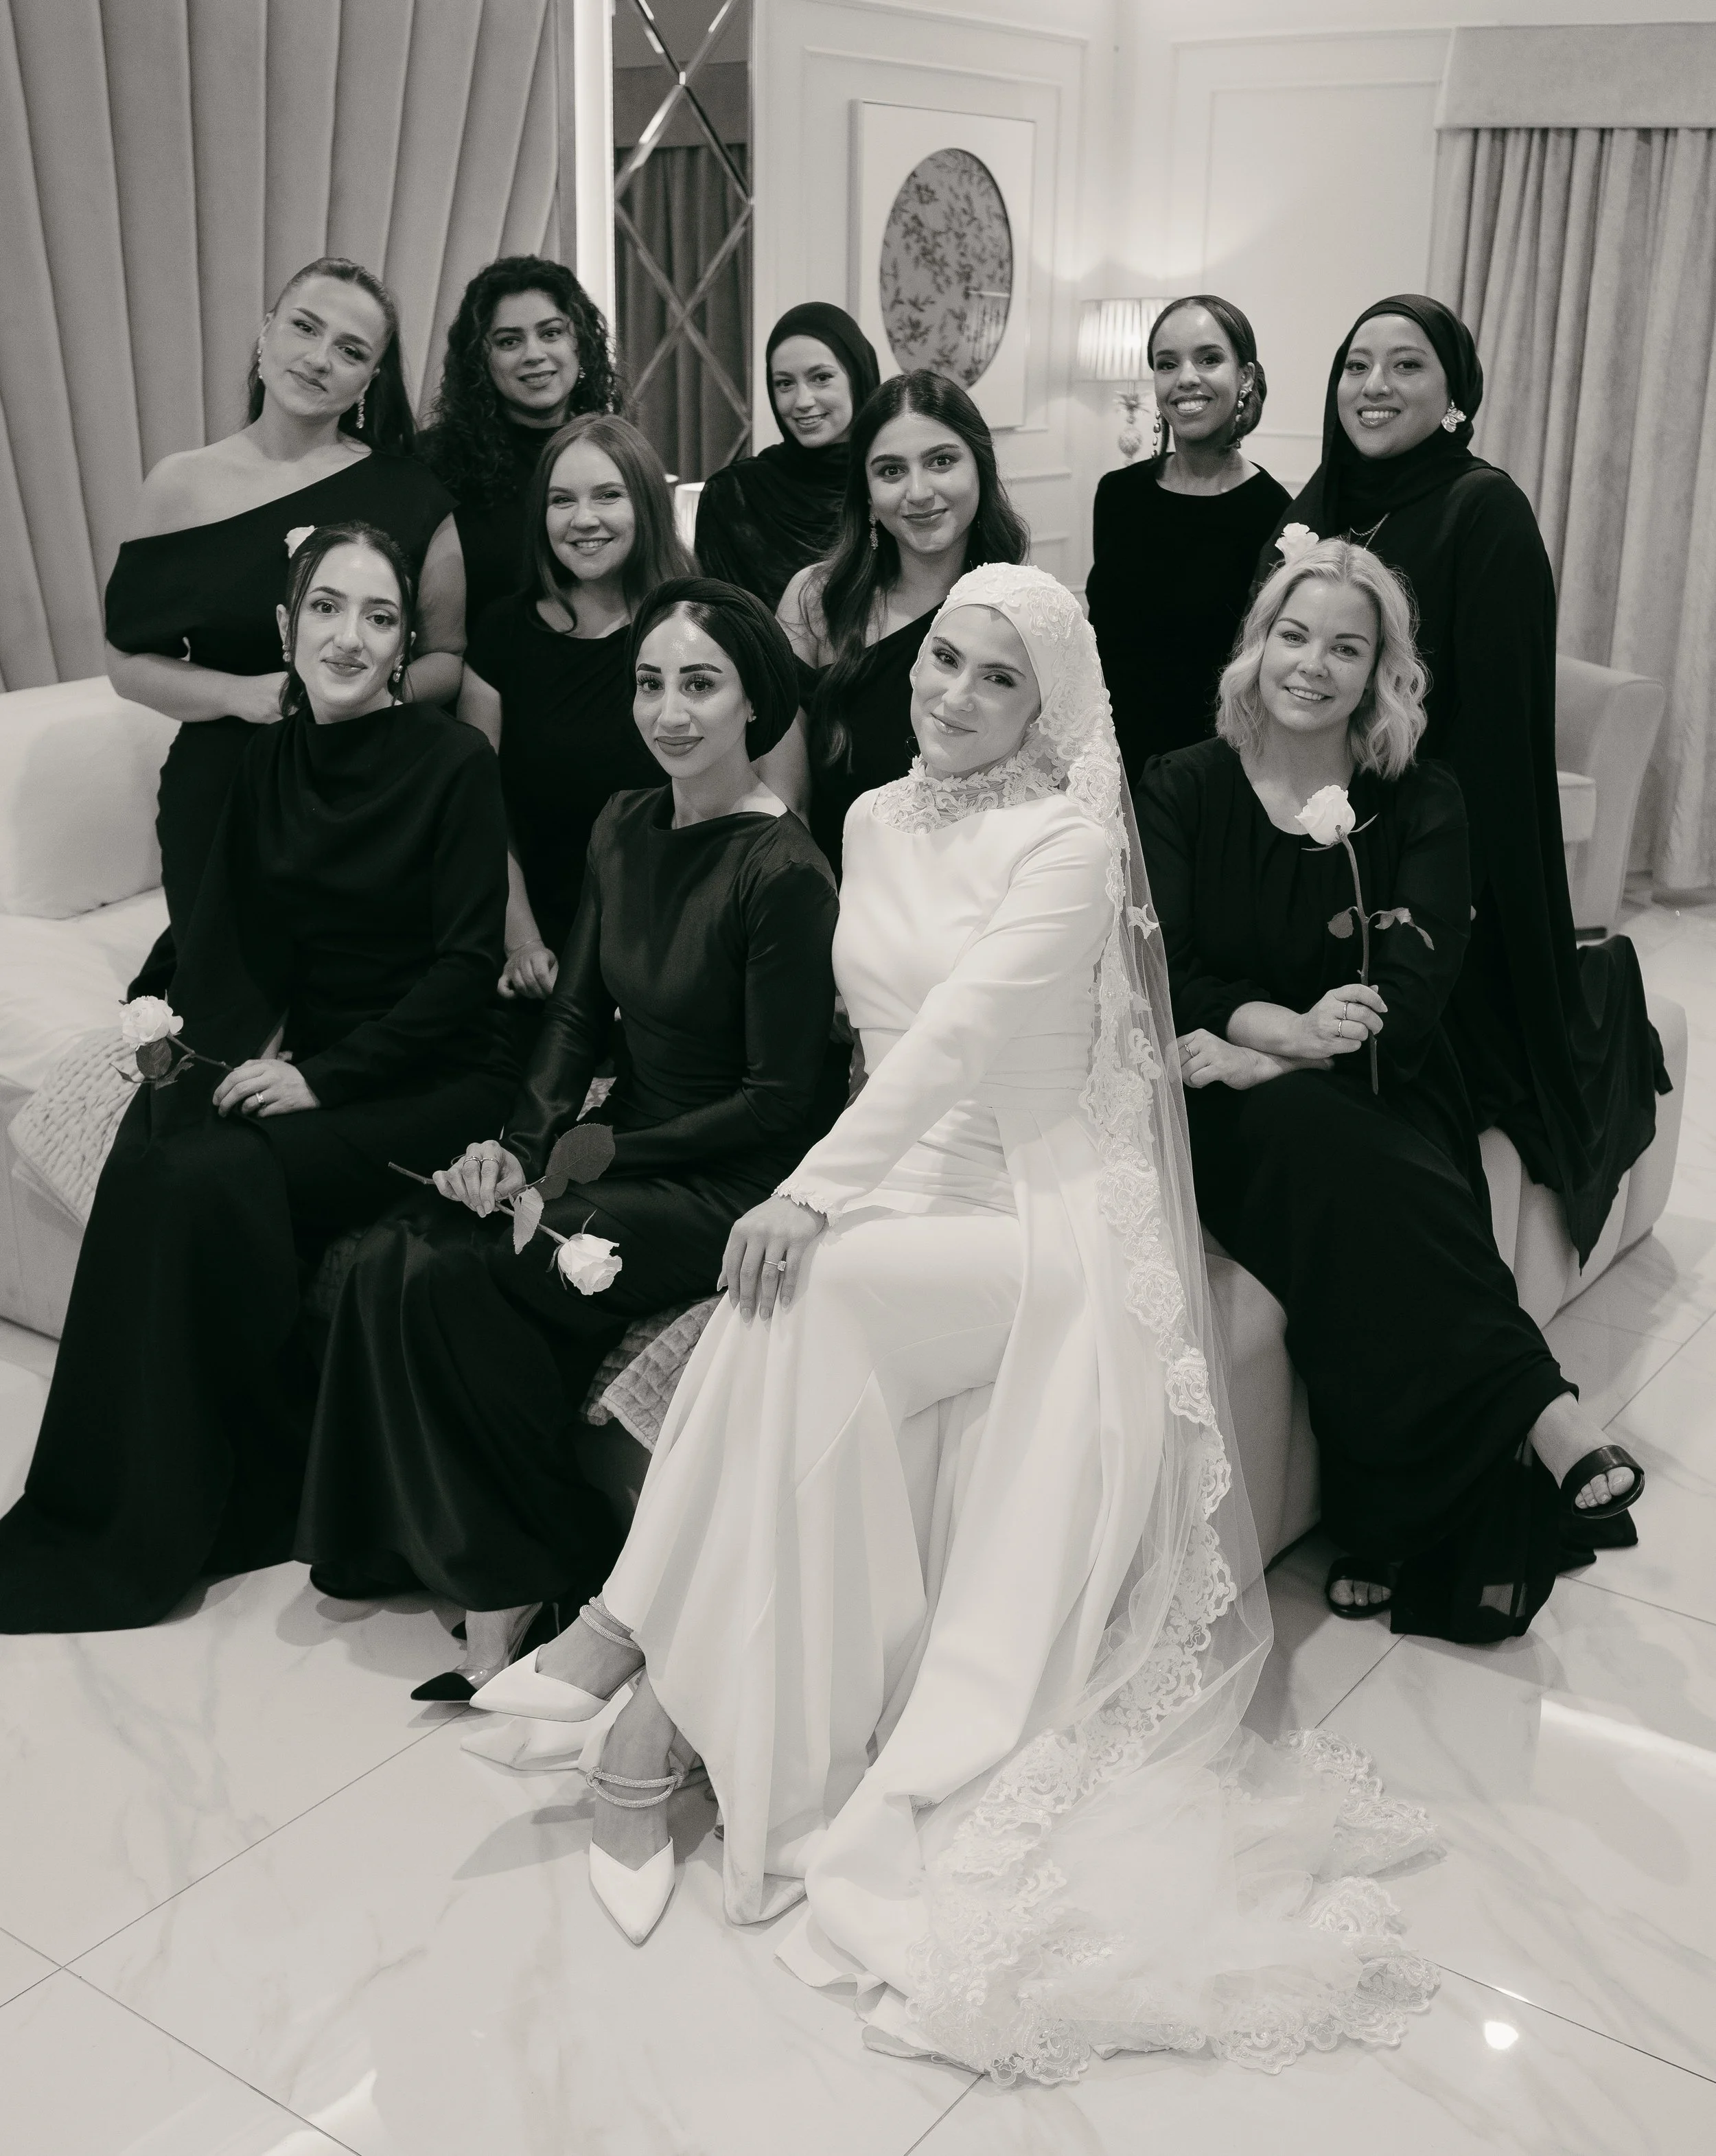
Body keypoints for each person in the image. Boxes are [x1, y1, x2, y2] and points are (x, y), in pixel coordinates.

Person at [466, 564, 1441, 2083]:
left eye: (996, 678)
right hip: (908, 1179)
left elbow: (969, 1033)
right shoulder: (862, 817)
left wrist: (807, 1195)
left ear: (1044, 708)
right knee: (777, 1310)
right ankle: (650, 1714)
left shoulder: (1062, 838)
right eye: (940, 662)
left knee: (812, 1276)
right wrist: (828, 1192)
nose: (951, 695)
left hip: (1039, 1210)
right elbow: (865, 1046)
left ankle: (620, 1649)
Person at [297, 580, 839, 1700]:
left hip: (719, 1178)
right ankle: (422, 1546)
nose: (670, 711)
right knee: (400, 1244)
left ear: (754, 701)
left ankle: (523, 1578)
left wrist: (591, 1163)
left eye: (700, 683)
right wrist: (520, 1147)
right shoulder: (623, 822)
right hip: (616, 1142)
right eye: (650, 682)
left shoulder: (784, 872)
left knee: (465, 1270)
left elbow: (782, 1100)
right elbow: (579, 1016)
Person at [0, 526, 515, 1634]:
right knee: (154, 1153)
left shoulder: (453, 767)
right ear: (288, 629)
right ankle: (95, 1507)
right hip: (319, 1065)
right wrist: (167, 1040)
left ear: (404, 647)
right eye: (327, 608)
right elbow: (216, 934)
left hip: (434, 1079)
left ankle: (222, 1501)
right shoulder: (264, 761)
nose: (350, 635)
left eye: (379, 618)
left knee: (204, 1182)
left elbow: (467, 975)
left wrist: (320, 1080)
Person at [1136, 537, 1646, 1637]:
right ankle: (1538, 1407)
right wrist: (1281, 1035)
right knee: (1327, 1158)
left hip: (1383, 1075)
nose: (1313, 664)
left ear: (1381, 674)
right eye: (1293, 635)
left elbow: (1409, 996)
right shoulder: (1182, 784)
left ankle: (1385, 1518)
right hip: (1227, 1101)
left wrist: (1280, 1053)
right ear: (1257, 645)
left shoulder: (1422, 799)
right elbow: (1175, 967)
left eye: (1347, 647)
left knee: (1357, 1182)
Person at [1261, 294, 1666, 1268]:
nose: (1374, 386)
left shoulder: (1485, 509)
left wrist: (1437, 891)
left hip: (1425, 846)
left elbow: (1493, 735)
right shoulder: (1316, 503)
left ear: (1456, 395)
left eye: (1406, 366)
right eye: (1358, 365)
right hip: (1307, 818)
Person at [105, 257, 464, 998]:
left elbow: (449, 658)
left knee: (360, 1011)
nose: (319, 358)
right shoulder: (179, 484)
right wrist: (247, 695)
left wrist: (364, 700)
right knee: (230, 1008)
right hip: (226, 775)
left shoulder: (413, 493)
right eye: (305, 327)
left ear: (368, 383)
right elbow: (127, 664)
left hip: (373, 778)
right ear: (265, 334)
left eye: (351, 350)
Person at [456, 414, 695, 1012]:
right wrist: (523, 943)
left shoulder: (699, 627)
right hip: (538, 946)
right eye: (562, 500)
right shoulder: (503, 634)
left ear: (645, 502)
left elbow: (744, 811)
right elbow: (481, 813)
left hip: (678, 949)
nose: (583, 519)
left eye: (608, 495)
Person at [776, 369, 1030, 874]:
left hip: (974, 907)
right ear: (866, 493)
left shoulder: (1021, 611)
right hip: (835, 902)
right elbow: (788, 807)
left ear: (980, 466)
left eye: (940, 461)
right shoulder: (816, 601)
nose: (918, 491)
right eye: (891, 471)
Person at [1087, 294, 1290, 780]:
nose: (1185, 378)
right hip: (1108, 759)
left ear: (1245, 376)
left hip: (1212, 774)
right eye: (1166, 363)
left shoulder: (1276, 515)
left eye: (1209, 358)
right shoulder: (1116, 495)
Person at [420, 256, 623, 627]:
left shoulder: (615, 452)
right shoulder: (433, 466)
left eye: (550, 333)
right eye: (509, 341)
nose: (534, 355)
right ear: (481, 359)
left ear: (580, 341)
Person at [694, 303, 881, 610]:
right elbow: (720, 626)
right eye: (785, 383)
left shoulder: (893, 483)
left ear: (858, 376)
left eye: (821, 378)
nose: (802, 401)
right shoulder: (733, 496)